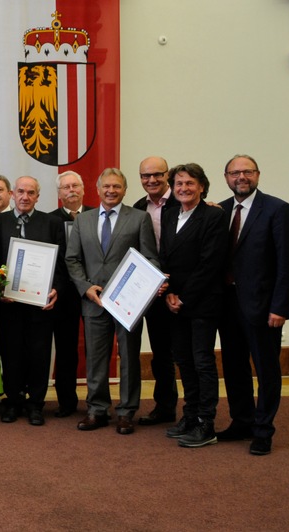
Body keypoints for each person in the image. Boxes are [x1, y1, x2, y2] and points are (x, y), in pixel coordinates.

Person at [216, 154, 289, 456]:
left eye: (247, 172)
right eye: (235, 172)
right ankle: (242, 421)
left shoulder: (278, 210)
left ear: (258, 175)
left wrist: (281, 307)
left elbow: (288, 265)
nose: (241, 177)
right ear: (226, 177)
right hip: (227, 307)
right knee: (234, 367)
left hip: (264, 308)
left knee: (266, 370)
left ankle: (263, 430)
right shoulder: (220, 212)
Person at [65, 168, 159, 435]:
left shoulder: (139, 219)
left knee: (128, 356)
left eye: (117, 186)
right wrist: (85, 288)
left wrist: (139, 289)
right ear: (98, 189)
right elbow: (72, 259)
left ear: (125, 190)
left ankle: (127, 412)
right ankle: (97, 410)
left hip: (128, 302)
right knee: (96, 357)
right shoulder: (83, 220)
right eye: (106, 186)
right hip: (94, 300)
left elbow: (150, 259)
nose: (111, 191)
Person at [156, 163, 229, 448]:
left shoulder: (213, 216)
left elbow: (210, 263)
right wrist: (169, 294)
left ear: (201, 186)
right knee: (184, 361)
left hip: (202, 302)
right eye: (178, 184)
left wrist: (184, 297)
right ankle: (190, 414)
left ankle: (206, 423)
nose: (183, 188)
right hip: (175, 303)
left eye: (189, 183)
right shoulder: (171, 213)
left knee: (202, 362)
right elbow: (165, 258)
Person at [0, 177, 67, 426]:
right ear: (12, 194)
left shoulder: (52, 223)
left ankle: (36, 404)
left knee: (39, 354)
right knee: (11, 354)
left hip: (39, 305)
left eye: (31, 192)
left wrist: (56, 289)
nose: (25, 197)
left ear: (37, 197)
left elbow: (62, 264)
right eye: (20, 192)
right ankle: (13, 401)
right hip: (8, 304)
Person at [132, 156, 180, 426]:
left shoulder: (183, 200)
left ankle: (197, 408)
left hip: (180, 290)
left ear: (167, 175)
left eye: (157, 175)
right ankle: (165, 406)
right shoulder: (139, 208)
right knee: (161, 351)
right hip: (150, 291)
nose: (151, 180)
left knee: (186, 352)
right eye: (145, 176)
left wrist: (173, 286)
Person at [47, 171, 92, 417]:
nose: (71, 190)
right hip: (63, 294)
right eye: (65, 187)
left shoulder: (98, 214)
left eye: (76, 185)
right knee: (65, 349)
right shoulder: (49, 220)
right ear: (59, 193)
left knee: (96, 348)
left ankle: (97, 400)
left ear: (84, 189)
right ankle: (67, 402)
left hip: (94, 292)